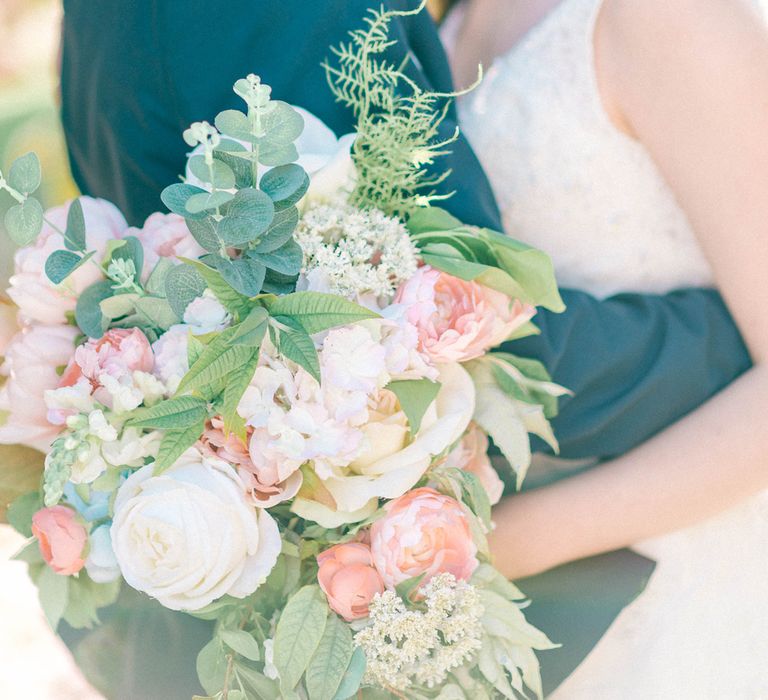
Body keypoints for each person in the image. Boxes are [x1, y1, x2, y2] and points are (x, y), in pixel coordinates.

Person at [58, 0, 752, 696]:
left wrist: (505, 545)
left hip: (649, 558)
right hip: (508, 592)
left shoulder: (670, 16)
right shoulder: (446, 22)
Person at [441, 0, 768, 695]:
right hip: (508, 609)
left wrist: (505, 541)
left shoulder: (667, 17)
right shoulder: (430, 29)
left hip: (674, 572)